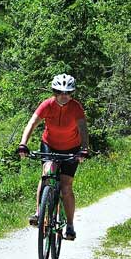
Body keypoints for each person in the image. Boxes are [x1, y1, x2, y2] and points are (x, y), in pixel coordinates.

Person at [16, 73, 90, 240]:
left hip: (72, 147)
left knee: (66, 187)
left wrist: (84, 149)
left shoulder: (76, 107)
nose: (64, 96)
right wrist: (23, 143)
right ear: (54, 92)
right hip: (49, 145)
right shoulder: (47, 105)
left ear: (72, 93)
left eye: (68, 92)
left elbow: (83, 129)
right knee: (46, 175)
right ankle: (39, 213)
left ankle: (70, 225)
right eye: (60, 92)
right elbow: (32, 123)